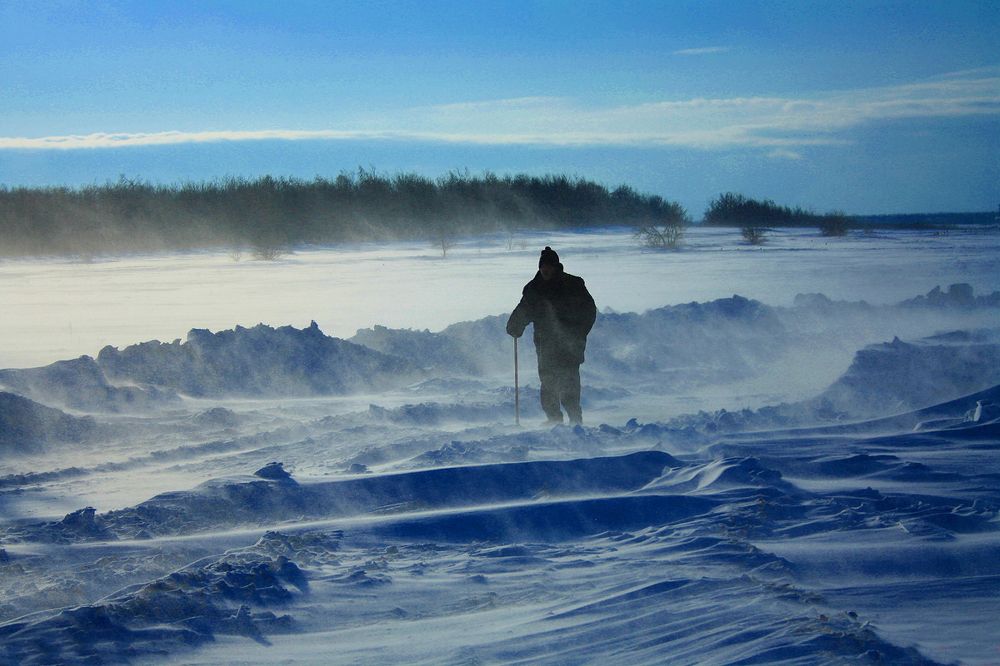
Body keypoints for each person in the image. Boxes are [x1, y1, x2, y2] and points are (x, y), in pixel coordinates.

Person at [506, 246, 597, 425]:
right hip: (545, 344)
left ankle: (575, 419)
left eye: (549, 266)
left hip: (570, 344)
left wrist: (579, 332)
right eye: (543, 266)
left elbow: (589, 311)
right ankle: (554, 419)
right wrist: (515, 325)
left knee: (569, 382)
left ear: (556, 266)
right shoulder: (534, 288)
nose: (545, 269)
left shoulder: (573, 285)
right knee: (548, 383)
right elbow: (524, 309)